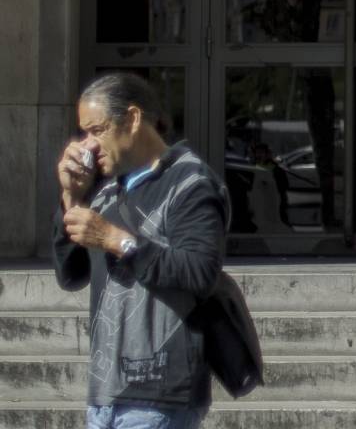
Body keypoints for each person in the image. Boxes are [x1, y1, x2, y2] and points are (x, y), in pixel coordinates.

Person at [52, 71, 230, 429]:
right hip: (106, 394)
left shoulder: (191, 183)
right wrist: (71, 196)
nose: (87, 146)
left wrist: (115, 240)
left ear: (132, 119)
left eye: (96, 130)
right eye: (83, 133)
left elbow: (200, 272)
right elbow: (70, 275)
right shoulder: (106, 191)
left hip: (161, 394)